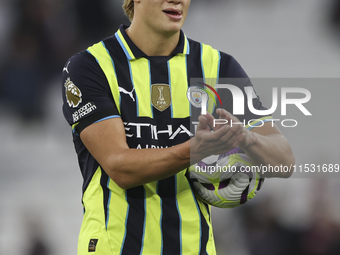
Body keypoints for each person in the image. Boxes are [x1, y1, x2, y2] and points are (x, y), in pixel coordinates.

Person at [62, 0, 295, 254]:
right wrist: (195, 149)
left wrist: (247, 138)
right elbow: (120, 166)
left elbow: (285, 161)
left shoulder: (217, 66)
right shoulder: (90, 66)